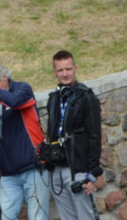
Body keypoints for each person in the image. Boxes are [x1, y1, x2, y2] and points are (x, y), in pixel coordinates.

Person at [0, 62, 50, 220]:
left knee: (38, 217)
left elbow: (13, 102)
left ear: (4, 77)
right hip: (9, 174)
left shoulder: (22, 89)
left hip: (33, 167)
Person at [45, 50, 103, 220]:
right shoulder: (54, 97)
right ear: (55, 72)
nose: (65, 74)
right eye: (60, 70)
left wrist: (92, 174)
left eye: (68, 69)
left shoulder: (87, 97)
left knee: (85, 216)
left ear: (75, 68)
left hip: (78, 167)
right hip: (57, 167)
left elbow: (95, 136)